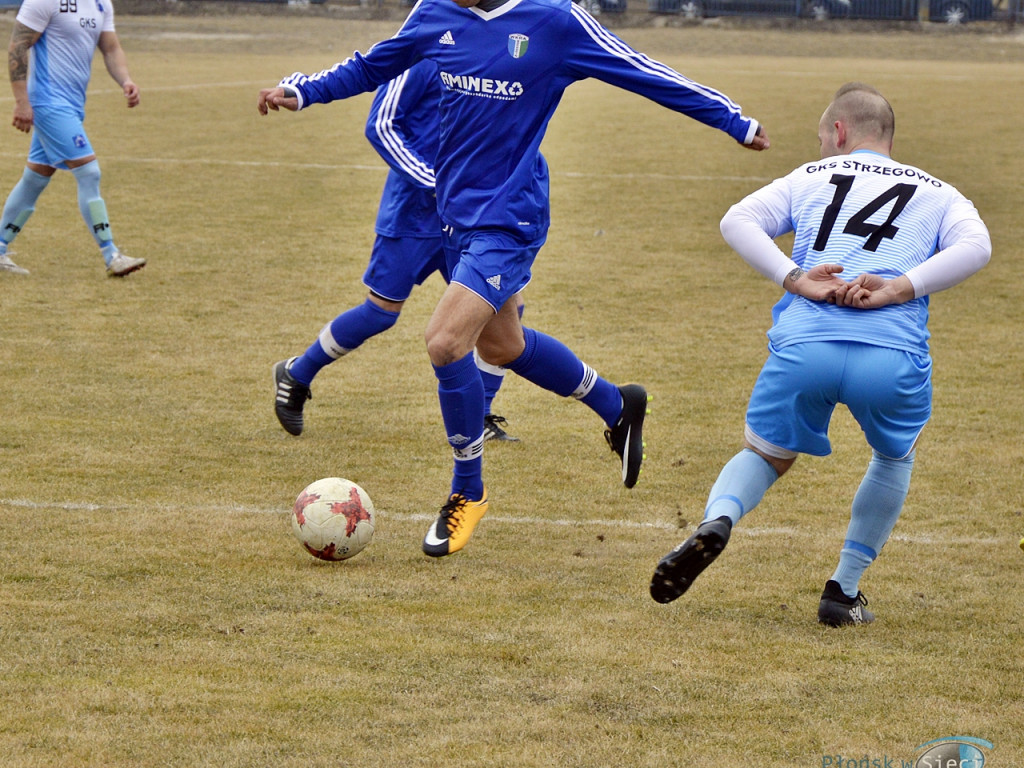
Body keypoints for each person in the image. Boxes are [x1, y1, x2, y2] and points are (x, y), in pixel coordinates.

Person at [258, 0, 769, 558]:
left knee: (445, 341)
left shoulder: (555, 22)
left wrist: (731, 119)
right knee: (502, 347)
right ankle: (616, 405)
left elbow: (641, 70)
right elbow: (372, 66)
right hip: (455, 215)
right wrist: (305, 91)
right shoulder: (435, 15)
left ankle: (467, 492)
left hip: (511, 218)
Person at [649, 83, 991, 626]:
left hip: (806, 347)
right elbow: (977, 247)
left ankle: (717, 520)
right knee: (893, 458)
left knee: (764, 456)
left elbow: (736, 219)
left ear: (838, 132)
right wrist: (899, 287)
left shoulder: (809, 175)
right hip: (891, 354)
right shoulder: (941, 192)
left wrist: (794, 278)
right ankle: (843, 591)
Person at [273, 59, 521, 443]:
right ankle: (297, 373)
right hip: (414, 214)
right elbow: (382, 125)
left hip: (471, 213)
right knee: (380, 312)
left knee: (503, 309)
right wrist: (436, 182)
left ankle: (480, 415)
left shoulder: (483, 47)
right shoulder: (421, 50)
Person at [1, 0, 145, 278]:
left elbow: (111, 48)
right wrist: (22, 102)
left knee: (35, 179)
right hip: (48, 104)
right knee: (89, 172)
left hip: (73, 106)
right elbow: (17, 46)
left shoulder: (101, 3)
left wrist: (125, 80)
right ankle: (111, 254)